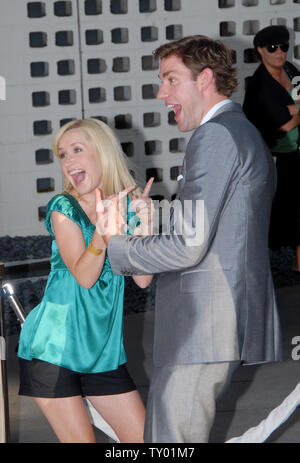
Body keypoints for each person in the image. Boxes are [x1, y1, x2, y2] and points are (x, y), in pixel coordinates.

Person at [96, 35, 282, 443]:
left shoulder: (215, 136)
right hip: (212, 323)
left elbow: (189, 245)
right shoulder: (238, 131)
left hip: (203, 326)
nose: (161, 93)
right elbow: (221, 226)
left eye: (170, 79)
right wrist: (158, 217)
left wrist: (114, 244)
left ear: (205, 79)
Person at [17, 118, 153, 443]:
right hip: (53, 352)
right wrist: (104, 236)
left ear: (102, 153)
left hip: (102, 354)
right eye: (63, 154)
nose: (68, 161)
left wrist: (145, 225)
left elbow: (144, 280)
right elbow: (84, 275)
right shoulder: (63, 208)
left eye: (77, 150)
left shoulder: (124, 209)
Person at [243, 25, 300, 267]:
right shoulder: (259, 85)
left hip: (294, 153)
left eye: (283, 47)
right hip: (276, 156)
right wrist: (295, 111)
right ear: (260, 50)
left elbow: (290, 117)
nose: (279, 52)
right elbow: (285, 126)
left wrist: (293, 111)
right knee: (283, 211)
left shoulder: (290, 69)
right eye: (272, 48)